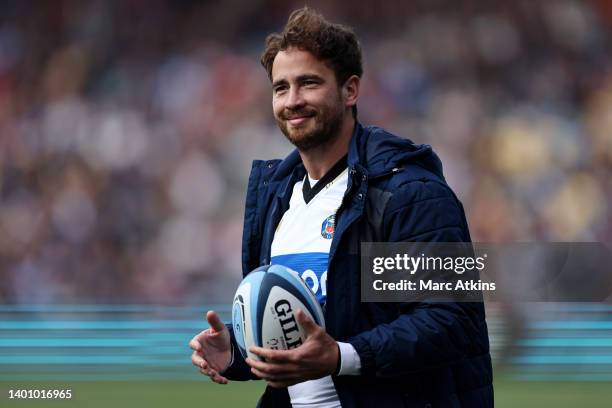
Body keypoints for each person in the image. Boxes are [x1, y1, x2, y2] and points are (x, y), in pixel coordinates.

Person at [190, 7, 493, 407]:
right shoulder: (278, 198)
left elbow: (452, 322)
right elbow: (312, 329)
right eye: (281, 88)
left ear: (350, 90)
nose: (292, 101)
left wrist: (340, 357)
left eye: (308, 83)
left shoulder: (408, 192)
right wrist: (239, 351)